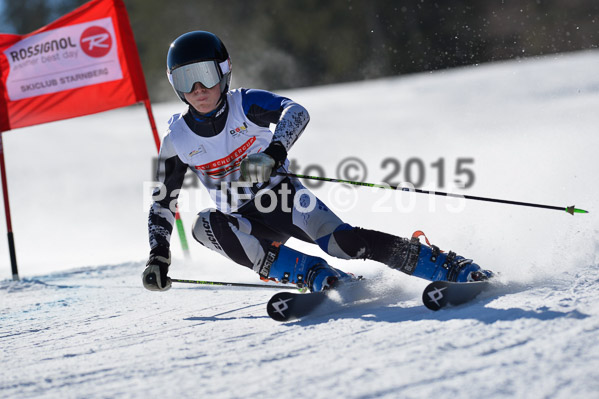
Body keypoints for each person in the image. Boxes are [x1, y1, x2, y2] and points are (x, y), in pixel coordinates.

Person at [143, 31, 493, 292]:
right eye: (188, 79)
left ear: (224, 71)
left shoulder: (245, 104)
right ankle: (310, 273)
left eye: (206, 74)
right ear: (176, 85)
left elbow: (296, 111)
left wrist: (274, 153)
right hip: (245, 222)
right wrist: (159, 255)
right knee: (203, 226)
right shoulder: (177, 139)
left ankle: (445, 265)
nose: (199, 88)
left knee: (345, 244)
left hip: (283, 198)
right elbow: (162, 202)